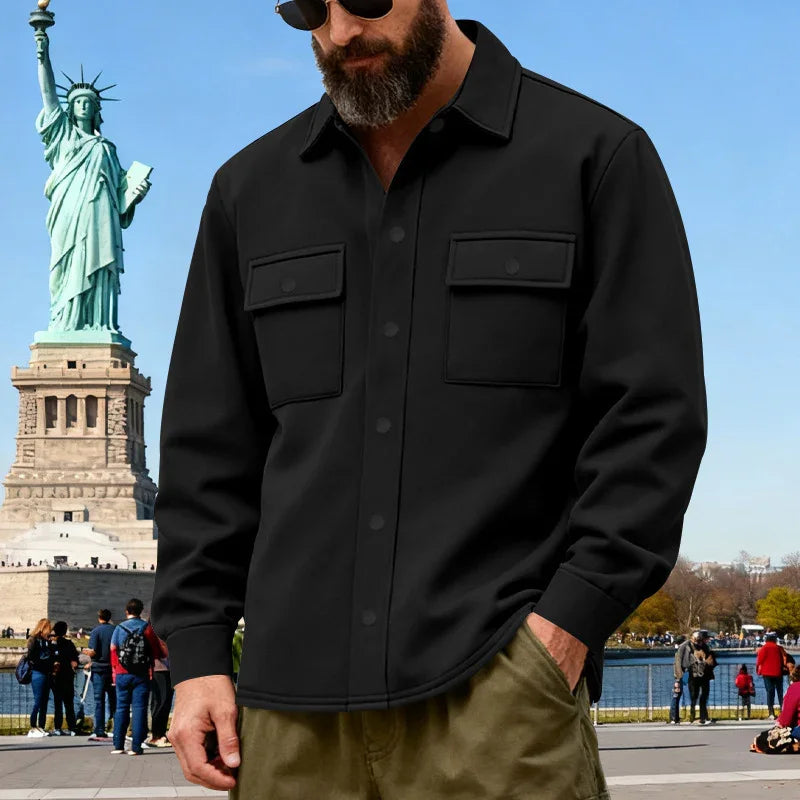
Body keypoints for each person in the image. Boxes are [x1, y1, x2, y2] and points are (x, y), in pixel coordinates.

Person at [150, 2, 707, 797]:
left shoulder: (596, 158)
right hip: (286, 730)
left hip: (499, 703)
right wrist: (199, 653)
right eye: (311, 7)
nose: (341, 31)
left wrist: (566, 632)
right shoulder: (248, 192)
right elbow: (209, 449)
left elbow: (654, 422)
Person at [109, 598, 165, 755]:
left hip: (122, 673)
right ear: (140, 611)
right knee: (140, 708)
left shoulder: (119, 628)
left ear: (127, 611)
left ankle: (118, 745)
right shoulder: (147, 628)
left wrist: (115, 671)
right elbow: (157, 652)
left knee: (121, 708)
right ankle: (136, 746)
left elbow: (113, 650)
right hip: (142, 674)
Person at [83, 609, 117, 741]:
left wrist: (86, 652)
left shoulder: (96, 631)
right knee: (114, 700)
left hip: (99, 669)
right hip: (113, 669)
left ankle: (99, 729)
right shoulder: (115, 630)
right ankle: (117, 728)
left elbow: (93, 652)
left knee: (99, 701)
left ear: (99, 618)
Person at [26, 618, 55, 737]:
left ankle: (41, 726)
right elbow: (32, 658)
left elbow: (51, 655)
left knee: (44, 702)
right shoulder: (33, 640)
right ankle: (33, 726)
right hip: (38, 673)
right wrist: (46, 662)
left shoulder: (47, 641)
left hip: (47, 673)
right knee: (38, 701)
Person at [50, 620, 80, 736]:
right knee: (69, 704)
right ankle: (72, 727)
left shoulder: (53, 644)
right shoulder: (69, 644)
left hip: (56, 677)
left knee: (58, 704)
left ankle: (58, 727)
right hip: (68, 677)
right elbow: (75, 660)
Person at [145, 634, 173, 747]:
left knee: (161, 701)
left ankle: (159, 733)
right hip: (161, 667)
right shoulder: (154, 630)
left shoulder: (152, 628)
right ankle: (157, 735)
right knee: (161, 701)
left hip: (161, 667)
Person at [686, 632, 717, 724]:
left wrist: (709, 661)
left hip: (704, 676)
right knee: (694, 696)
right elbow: (687, 662)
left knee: (703, 696)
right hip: (694, 676)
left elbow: (711, 661)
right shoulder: (690, 648)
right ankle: (693, 716)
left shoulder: (706, 648)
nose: (700, 642)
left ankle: (703, 716)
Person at [757, 632, 788, 719]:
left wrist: (758, 670)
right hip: (778, 672)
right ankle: (783, 710)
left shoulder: (764, 648)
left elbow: (759, 660)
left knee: (770, 692)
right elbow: (784, 658)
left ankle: (771, 712)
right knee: (780, 692)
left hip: (767, 673)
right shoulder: (778, 648)